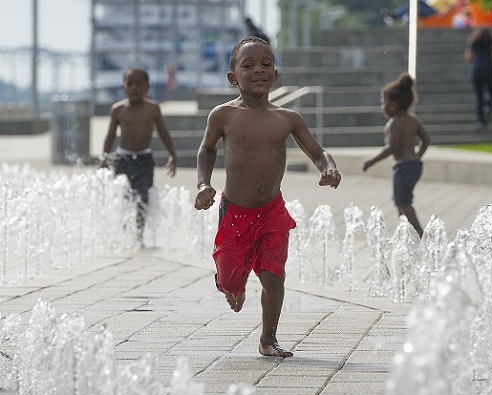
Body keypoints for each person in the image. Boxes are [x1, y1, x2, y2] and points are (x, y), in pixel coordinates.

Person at [194, 36, 341, 358]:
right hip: (235, 212)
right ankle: (230, 283)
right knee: (233, 278)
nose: (258, 70)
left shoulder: (287, 119)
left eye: (266, 64)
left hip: (272, 211)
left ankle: (268, 338)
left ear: (276, 74)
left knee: (274, 275)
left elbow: (318, 151)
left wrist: (327, 167)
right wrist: (203, 184)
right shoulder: (223, 115)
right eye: (248, 65)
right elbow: (206, 149)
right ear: (233, 77)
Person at [99, 68, 177, 244]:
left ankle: (139, 235)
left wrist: (172, 155)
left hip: (144, 160)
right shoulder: (118, 110)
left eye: (139, 84)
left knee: (143, 198)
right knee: (123, 196)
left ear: (147, 88)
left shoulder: (153, 109)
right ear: (123, 87)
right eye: (130, 84)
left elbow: (163, 132)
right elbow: (110, 135)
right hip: (123, 159)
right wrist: (104, 158)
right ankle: (123, 233)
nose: (134, 88)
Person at [363, 72, 430, 237]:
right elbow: (426, 140)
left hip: (402, 166)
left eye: (383, 102)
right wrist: (417, 157)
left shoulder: (394, 123)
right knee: (401, 201)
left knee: (404, 203)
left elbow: (392, 148)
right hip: (415, 165)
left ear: (394, 105)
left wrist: (371, 161)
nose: (382, 106)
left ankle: (421, 235)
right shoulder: (413, 120)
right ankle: (404, 235)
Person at [464, 28, 492, 127]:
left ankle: (480, 119)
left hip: (476, 69)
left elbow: (468, 57)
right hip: (489, 68)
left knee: (479, 95)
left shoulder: (473, 42)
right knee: (491, 91)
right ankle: (488, 106)